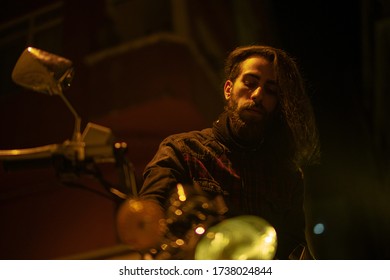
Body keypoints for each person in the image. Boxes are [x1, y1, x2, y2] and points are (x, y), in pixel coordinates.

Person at [117, 45, 320, 260]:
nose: (258, 94)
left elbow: (296, 251)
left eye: (271, 90)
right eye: (250, 83)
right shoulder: (180, 150)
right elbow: (148, 224)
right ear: (228, 89)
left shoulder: (287, 176)